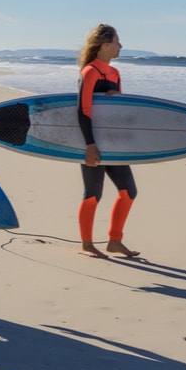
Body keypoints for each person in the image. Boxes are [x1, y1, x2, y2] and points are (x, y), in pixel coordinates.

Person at [76, 24, 140, 259]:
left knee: (129, 192)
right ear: (105, 45)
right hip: (92, 143)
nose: (120, 46)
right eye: (116, 41)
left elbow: (119, 111)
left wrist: (118, 99)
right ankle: (86, 244)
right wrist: (90, 145)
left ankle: (114, 241)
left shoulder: (114, 73)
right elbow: (83, 110)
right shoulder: (90, 71)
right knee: (93, 194)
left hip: (113, 144)